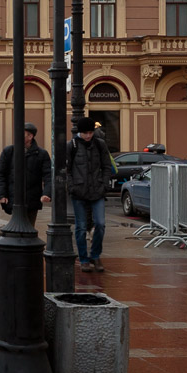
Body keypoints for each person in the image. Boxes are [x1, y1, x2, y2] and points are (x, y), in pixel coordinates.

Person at [68, 116, 114, 273]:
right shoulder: (72, 146)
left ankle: (95, 255)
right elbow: (66, 170)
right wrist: (72, 186)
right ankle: (84, 259)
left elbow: (107, 166)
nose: (88, 135)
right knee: (80, 228)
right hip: (79, 192)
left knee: (100, 224)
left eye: (90, 132)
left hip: (97, 191)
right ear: (80, 132)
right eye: (85, 133)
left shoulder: (100, 145)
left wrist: (104, 184)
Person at [0, 123, 51, 228]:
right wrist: (1, 195)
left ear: (30, 137)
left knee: (29, 229)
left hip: (32, 200)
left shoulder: (41, 154)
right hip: (13, 198)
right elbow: (0, 174)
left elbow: (48, 176)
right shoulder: (9, 151)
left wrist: (47, 193)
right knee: (15, 228)